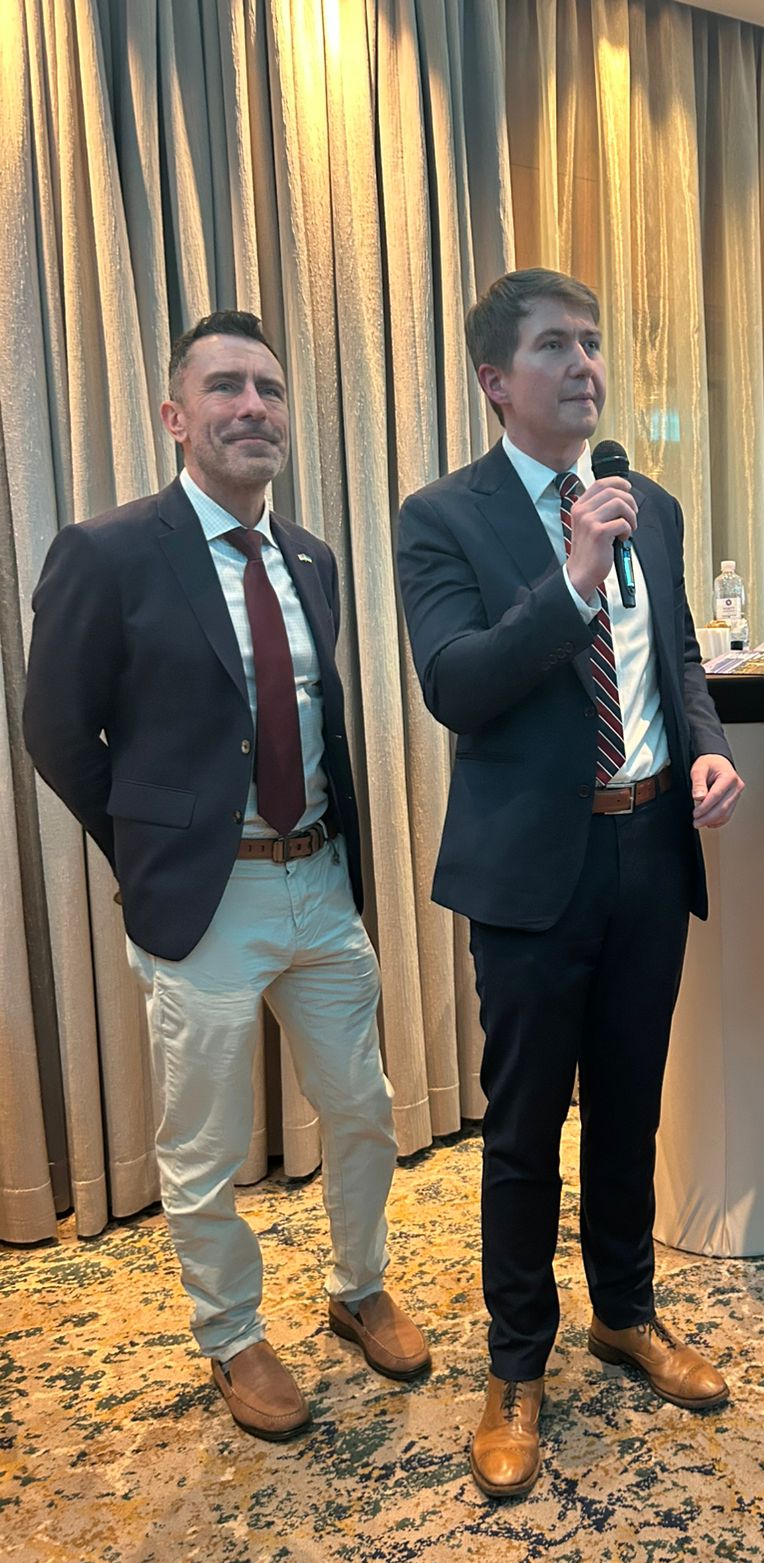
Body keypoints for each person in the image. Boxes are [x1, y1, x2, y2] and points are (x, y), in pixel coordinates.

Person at [23, 310, 429, 1442]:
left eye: (269, 388)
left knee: (363, 1109)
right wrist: (149, 852)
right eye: (225, 387)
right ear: (175, 416)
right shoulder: (108, 552)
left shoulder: (311, 558)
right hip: (204, 905)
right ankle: (232, 1334)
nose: (253, 406)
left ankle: (359, 1287)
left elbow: (313, 718)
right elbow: (56, 730)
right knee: (202, 1144)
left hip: (321, 881)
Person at [396, 268, 744, 1498]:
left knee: (632, 1105)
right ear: (497, 380)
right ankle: (514, 1365)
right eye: (555, 345)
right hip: (531, 870)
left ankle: (626, 1312)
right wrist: (575, 579)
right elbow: (457, 683)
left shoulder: (652, 502)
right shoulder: (443, 516)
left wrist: (704, 742)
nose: (585, 363)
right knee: (524, 1126)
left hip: (649, 848)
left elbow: (678, 650)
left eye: (592, 341)